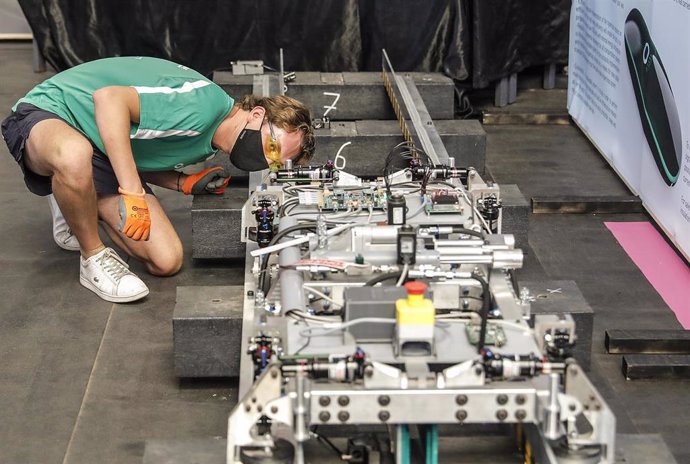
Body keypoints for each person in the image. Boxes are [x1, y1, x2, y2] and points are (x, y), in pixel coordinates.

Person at [1, 56, 315, 303]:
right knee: (72, 154)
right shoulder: (203, 108)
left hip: (97, 148)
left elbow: (136, 148)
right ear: (257, 116)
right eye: (272, 146)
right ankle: (92, 256)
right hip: (51, 114)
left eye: (277, 160)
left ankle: (71, 194)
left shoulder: (209, 143)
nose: (269, 159)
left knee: (167, 260)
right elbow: (109, 100)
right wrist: (132, 191)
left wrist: (182, 182)